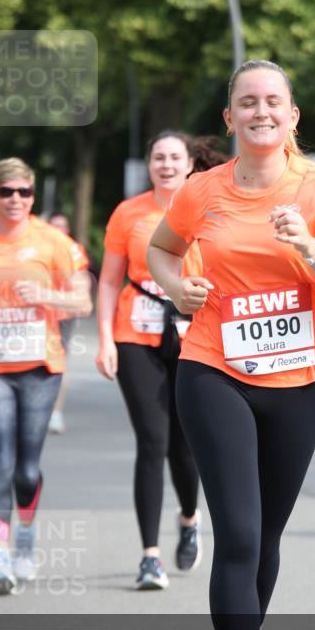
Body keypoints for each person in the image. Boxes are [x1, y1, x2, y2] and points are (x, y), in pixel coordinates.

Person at [147, 60, 315, 630]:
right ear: (230, 119)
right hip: (212, 371)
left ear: (292, 117)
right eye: (248, 102)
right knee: (238, 533)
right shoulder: (201, 191)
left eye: (274, 102)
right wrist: (175, 287)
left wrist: (307, 250)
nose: (261, 111)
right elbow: (160, 251)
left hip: (297, 382)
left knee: (266, 539)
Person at [0, 158, 92, 594]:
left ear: (32, 196)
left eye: (24, 192)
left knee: (27, 468)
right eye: (6, 192)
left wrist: (46, 294)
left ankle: (25, 533)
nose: (15, 199)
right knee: (0, 459)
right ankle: (0, 558)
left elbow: (82, 300)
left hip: (40, 367)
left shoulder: (53, 241)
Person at [96, 132, 226, 591]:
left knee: (183, 445)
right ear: (148, 164)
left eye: (175, 157)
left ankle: (190, 517)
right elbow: (110, 281)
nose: (166, 165)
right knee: (151, 442)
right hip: (136, 332)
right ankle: (149, 556)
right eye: (158, 157)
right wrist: (104, 340)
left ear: (191, 163)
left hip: (196, 334)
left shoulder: (210, 207)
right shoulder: (127, 213)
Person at [46, 212, 92, 435]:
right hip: (40, 315)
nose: (57, 230)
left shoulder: (73, 250)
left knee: (59, 361)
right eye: (53, 226)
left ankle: (55, 412)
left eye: (61, 226)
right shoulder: (36, 246)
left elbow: (81, 285)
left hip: (64, 315)